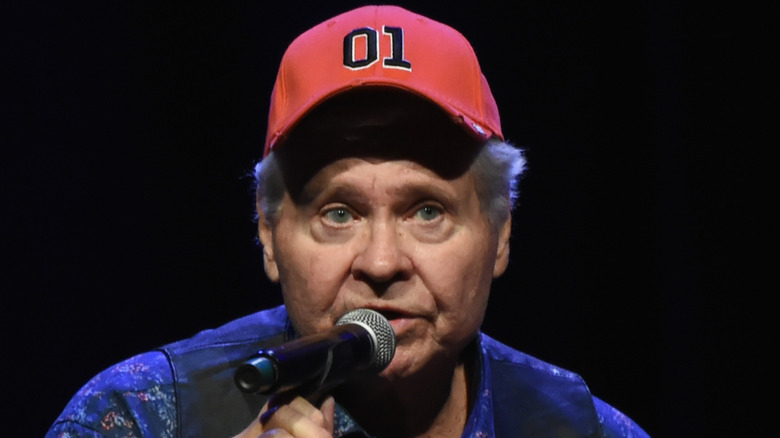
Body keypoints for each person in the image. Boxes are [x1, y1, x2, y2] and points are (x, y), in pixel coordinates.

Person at [47, 5, 650, 438]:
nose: (382, 263)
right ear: (267, 235)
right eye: (339, 212)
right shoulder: (140, 418)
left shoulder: (588, 430)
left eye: (428, 211)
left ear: (501, 234)